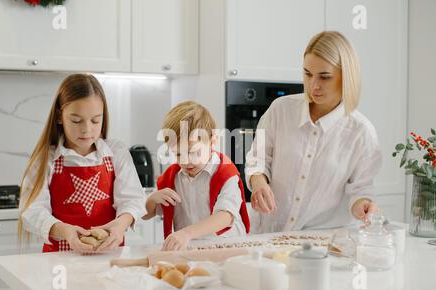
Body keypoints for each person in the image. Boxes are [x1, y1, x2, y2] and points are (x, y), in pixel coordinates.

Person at [245, 31, 382, 233]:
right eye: (308, 74)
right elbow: (258, 159)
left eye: (324, 77)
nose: (313, 85)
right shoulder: (281, 109)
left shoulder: (361, 133)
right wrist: (258, 182)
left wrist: (363, 206)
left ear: (346, 76)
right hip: (267, 236)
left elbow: (360, 190)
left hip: (321, 245)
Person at [18, 74, 146, 253]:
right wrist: (66, 232)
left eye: (95, 120)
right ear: (59, 117)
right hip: (59, 260)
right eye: (76, 120)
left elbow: (132, 200)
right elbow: (32, 211)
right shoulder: (46, 158)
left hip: (109, 256)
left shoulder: (116, 152)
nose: (87, 129)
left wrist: (119, 226)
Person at [143, 101, 250, 250]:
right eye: (178, 154)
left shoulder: (226, 173)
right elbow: (146, 214)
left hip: (228, 249)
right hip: (191, 250)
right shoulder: (171, 177)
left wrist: (186, 234)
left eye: (193, 152)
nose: (186, 161)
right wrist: (152, 200)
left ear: (212, 141)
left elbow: (226, 216)